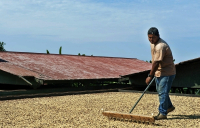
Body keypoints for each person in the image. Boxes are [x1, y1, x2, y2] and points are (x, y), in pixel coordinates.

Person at [145, 27, 176, 120]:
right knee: (161, 91)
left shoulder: (160, 46)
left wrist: (150, 76)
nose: (151, 39)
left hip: (167, 72)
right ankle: (169, 106)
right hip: (159, 71)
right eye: (149, 37)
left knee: (162, 92)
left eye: (153, 37)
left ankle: (162, 113)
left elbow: (156, 62)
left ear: (158, 36)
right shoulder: (153, 44)